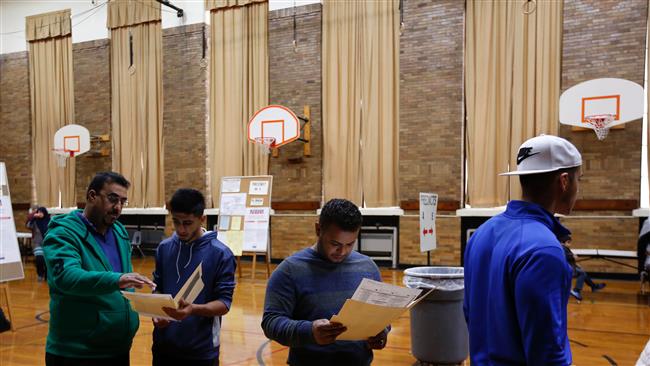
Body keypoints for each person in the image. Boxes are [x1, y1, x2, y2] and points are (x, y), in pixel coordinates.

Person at [464, 135, 582, 365]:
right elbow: (547, 351)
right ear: (564, 181)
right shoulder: (544, 250)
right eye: (580, 179)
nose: (579, 189)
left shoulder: (481, 233)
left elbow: (470, 314)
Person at [42, 172, 155, 366]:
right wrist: (117, 279)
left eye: (123, 201)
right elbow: (66, 277)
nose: (118, 207)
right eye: (112, 199)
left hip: (117, 349)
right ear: (92, 196)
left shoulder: (119, 231)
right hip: (76, 353)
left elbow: (122, 290)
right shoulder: (63, 233)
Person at [261, 198, 388, 366]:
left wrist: (382, 332)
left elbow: (379, 316)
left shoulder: (368, 267)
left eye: (350, 244)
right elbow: (271, 322)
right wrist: (309, 331)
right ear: (318, 229)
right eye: (335, 243)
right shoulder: (289, 270)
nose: (342, 251)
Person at [151, 188, 236, 366]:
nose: (181, 229)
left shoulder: (220, 254)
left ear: (202, 219)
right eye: (176, 222)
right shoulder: (164, 248)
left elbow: (224, 304)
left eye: (188, 223)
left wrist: (193, 309)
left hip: (201, 350)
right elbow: (157, 287)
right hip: (163, 345)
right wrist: (157, 311)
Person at [559, 237, 606, 301]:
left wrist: (576, 264)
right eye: (568, 242)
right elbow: (565, 257)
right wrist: (573, 257)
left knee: (583, 273)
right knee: (582, 273)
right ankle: (579, 290)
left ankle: (592, 286)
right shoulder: (563, 248)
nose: (570, 244)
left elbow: (568, 258)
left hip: (569, 267)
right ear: (563, 242)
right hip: (566, 269)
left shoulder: (565, 248)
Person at [26, 206, 50, 281]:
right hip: (37, 243)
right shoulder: (35, 221)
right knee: (39, 259)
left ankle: (47, 275)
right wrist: (34, 217)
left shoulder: (49, 220)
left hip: (47, 243)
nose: (39, 213)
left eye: (41, 212)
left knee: (47, 260)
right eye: (38, 212)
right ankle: (40, 274)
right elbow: (28, 225)